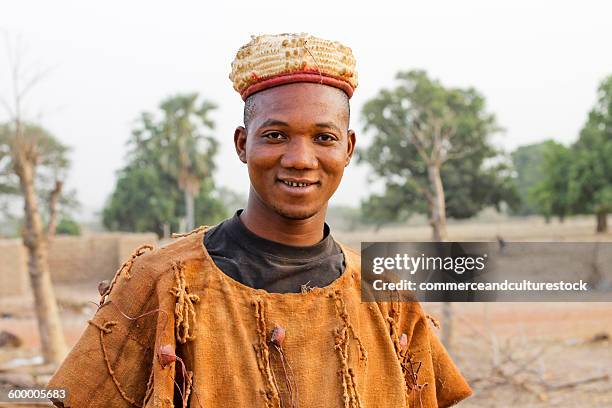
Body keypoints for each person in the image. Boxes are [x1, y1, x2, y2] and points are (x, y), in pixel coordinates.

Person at [48, 33, 472, 408]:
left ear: (348, 148)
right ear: (242, 144)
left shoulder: (385, 298)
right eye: (276, 135)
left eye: (323, 138)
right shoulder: (165, 281)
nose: (300, 159)